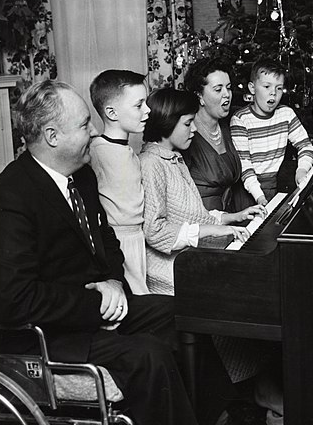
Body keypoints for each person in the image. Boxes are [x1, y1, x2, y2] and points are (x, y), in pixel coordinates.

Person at [0, 80, 206, 425]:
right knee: (147, 355)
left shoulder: (82, 176)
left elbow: (106, 241)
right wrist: (98, 304)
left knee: (187, 313)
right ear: (52, 135)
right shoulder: (10, 196)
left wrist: (115, 283)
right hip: (54, 334)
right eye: (83, 125)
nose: (93, 132)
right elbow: (14, 300)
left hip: (96, 308)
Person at [139, 87, 265, 295]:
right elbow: (155, 230)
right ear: (167, 123)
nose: (194, 130)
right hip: (170, 271)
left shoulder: (174, 158)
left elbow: (196, 216)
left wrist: (234, 217)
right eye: (188, 123)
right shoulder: (151, 163)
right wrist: (211, 230)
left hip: (188, 258)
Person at [89, 70, 150, 295]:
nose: (147, 111)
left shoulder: (128, 150)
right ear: (112, 113)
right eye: (139, 105)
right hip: (118, 243)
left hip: (138, 239)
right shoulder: (96, 151)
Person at [230, 57, 313, 206]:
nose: (273, 94)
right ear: (252, 88)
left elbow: (306, 146)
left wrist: (302, 170)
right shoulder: (240, 120)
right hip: (248, 189)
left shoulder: (286, 114)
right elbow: (244, 165)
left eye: (278, 88)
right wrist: (259, 197)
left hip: (274, 185)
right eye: (266, 86)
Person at [183, 56, 250, 211]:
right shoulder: (185, 134)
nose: (227, 94)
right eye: (218, 89)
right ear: (199, 96)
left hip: (236, 215)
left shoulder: (230, 125)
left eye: (229, 87)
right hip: (202, 222)